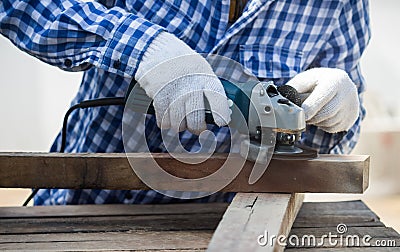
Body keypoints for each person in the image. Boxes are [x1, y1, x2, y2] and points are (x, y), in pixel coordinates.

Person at [0, 0, 370, 205]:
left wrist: (329, 112)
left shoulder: (337, 6)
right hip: (81, 210)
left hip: (221, 230)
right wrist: (143, 49)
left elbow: (317, 152)